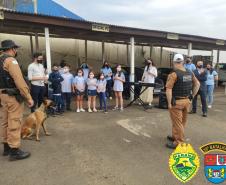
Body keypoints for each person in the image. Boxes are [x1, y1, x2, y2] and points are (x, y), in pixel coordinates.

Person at [0, 39, 34, 160]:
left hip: (2, 96)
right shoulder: (11, 61)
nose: (16, 51)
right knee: (14, 121)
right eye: (15, 48)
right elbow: (19, 81)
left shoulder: (0, 60)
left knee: (5, 121)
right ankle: (14, 151)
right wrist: (28, 97)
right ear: (12, 49)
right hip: (12, 96)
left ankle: (7, 148)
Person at [165, 54, 200, 149]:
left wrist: (168, 103)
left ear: (173, 62)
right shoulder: (190, 72)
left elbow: (168, 89)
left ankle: (179, 142)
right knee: (181, 122)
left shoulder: (173, 74)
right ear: (183, 62)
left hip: (176, 102)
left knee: (177, 122)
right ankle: (175, 136)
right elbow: (197, 84)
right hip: (187, 101)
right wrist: (192, 96)